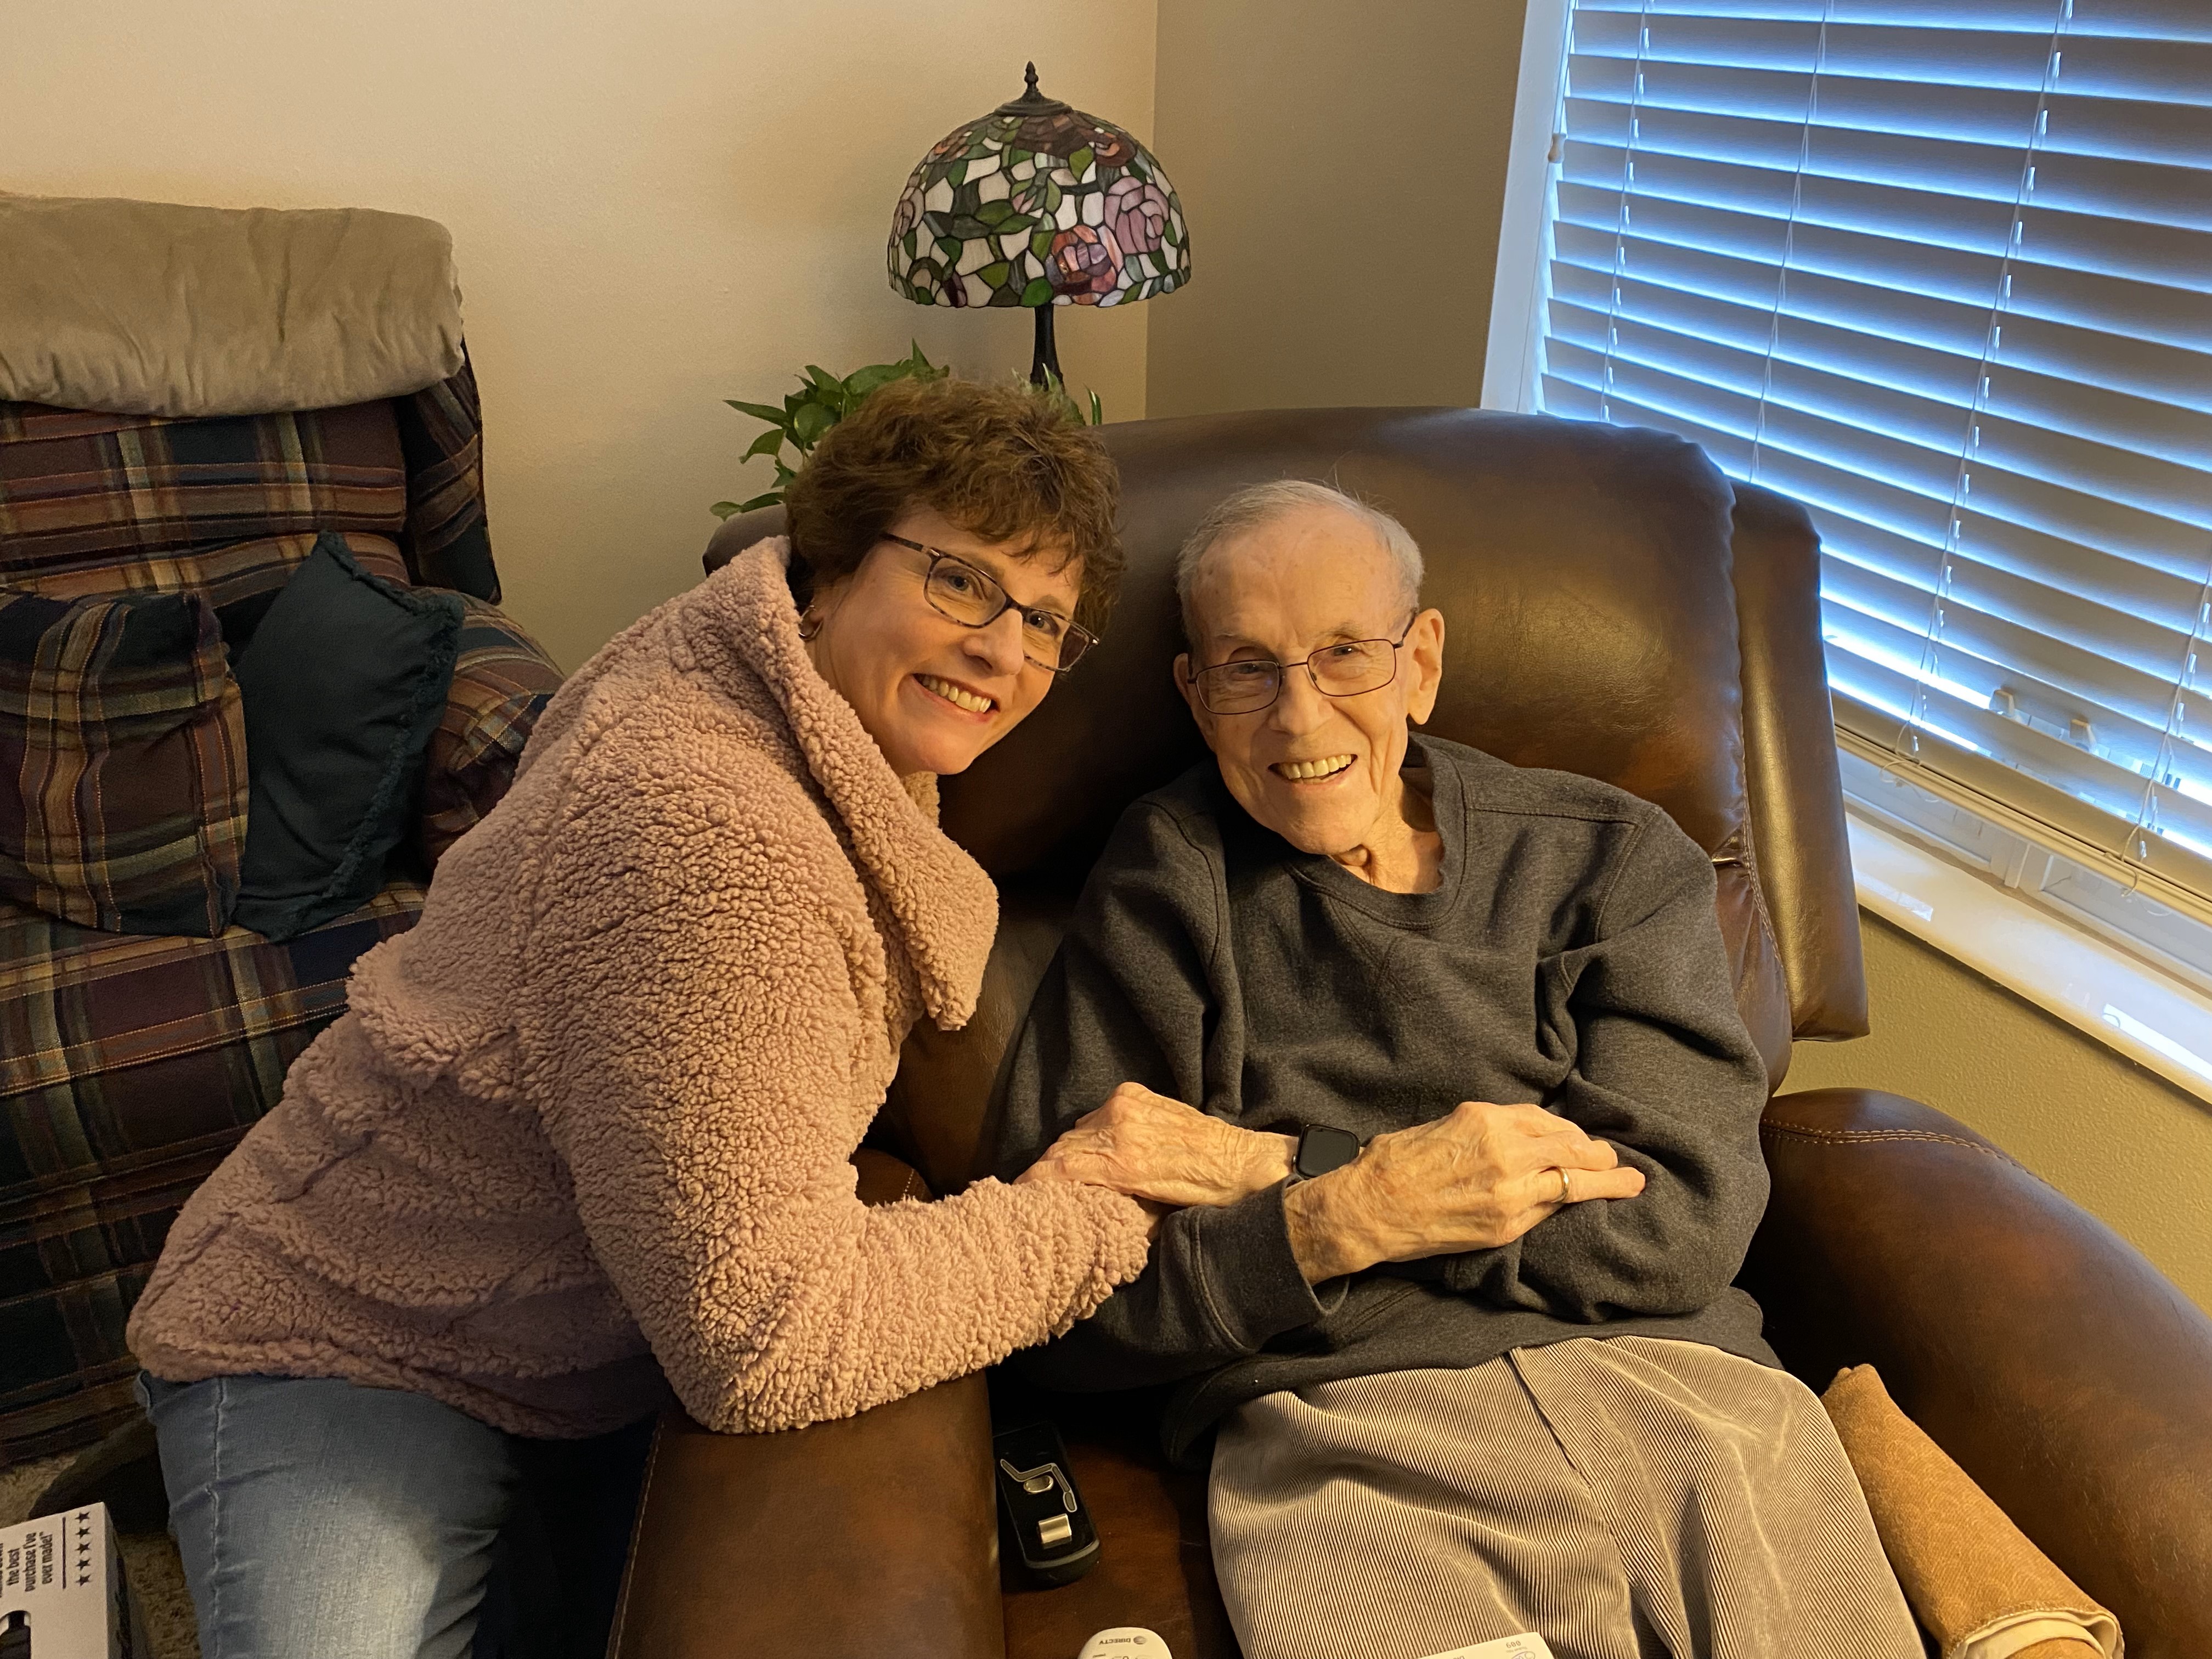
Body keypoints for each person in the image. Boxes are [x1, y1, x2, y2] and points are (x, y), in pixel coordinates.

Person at [123, 376, 1155, 1659]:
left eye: (1048, 620)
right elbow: (763, 1337)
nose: (1006, 648)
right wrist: (1098, 1208)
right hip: (344, 1333)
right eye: (960, 581)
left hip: (586, 1334)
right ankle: (196, 1452)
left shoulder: (773, 678)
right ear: (828, 569)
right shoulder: (705, 833)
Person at [996, 479, 1921, 1659]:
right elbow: (1066, 1294)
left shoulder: (1611, 858)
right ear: (1195, 691)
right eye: (1248, 666)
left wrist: (1290, 1178)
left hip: (1694, 1404)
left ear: (1421, 663)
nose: (1299, 716)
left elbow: (1678, 1225)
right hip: (1348, 1431)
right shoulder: (1169, 883)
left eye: (1345, 655)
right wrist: (1336, 1222)